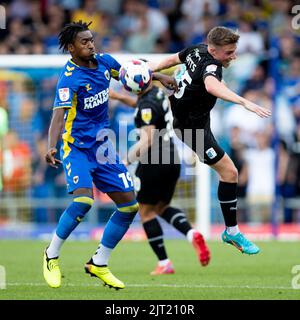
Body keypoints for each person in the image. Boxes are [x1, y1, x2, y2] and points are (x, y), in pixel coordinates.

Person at [43, 21, 175, 290]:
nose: (91, 44)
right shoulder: (70, 77)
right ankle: (51, 255)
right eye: (84, 41)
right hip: (76, 147)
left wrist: (159, 77)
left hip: (103, 147)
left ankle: (98, 263)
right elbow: (59, 114)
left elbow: (131, 74)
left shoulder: (105, 62)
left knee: (129, 206)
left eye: (91, 39)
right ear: (71, 48)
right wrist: (51, 145)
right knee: (83, 201)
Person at [147, 26, 272, 255]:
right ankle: (231, 232)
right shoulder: (212, 65)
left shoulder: (198, 49)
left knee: (228, 172)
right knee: (230, 173)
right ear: (213, 50)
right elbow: (211, 85)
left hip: (196, 121)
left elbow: (174, 58)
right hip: (190, 129)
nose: (233, 56)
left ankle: (231, 231)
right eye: (229, 52)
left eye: (234, 51)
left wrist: (151, 69)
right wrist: (245, 103)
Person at [110, 84, 210, 275]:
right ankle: (192, 234)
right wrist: (118, 96)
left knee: (146, 212)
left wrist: (125, 160)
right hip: (172, 158)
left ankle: (164, 263)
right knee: (161, 207)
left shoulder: (146, 104)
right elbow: (141, 106)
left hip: (154, 160)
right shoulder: (156, 93)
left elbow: (146, 139)